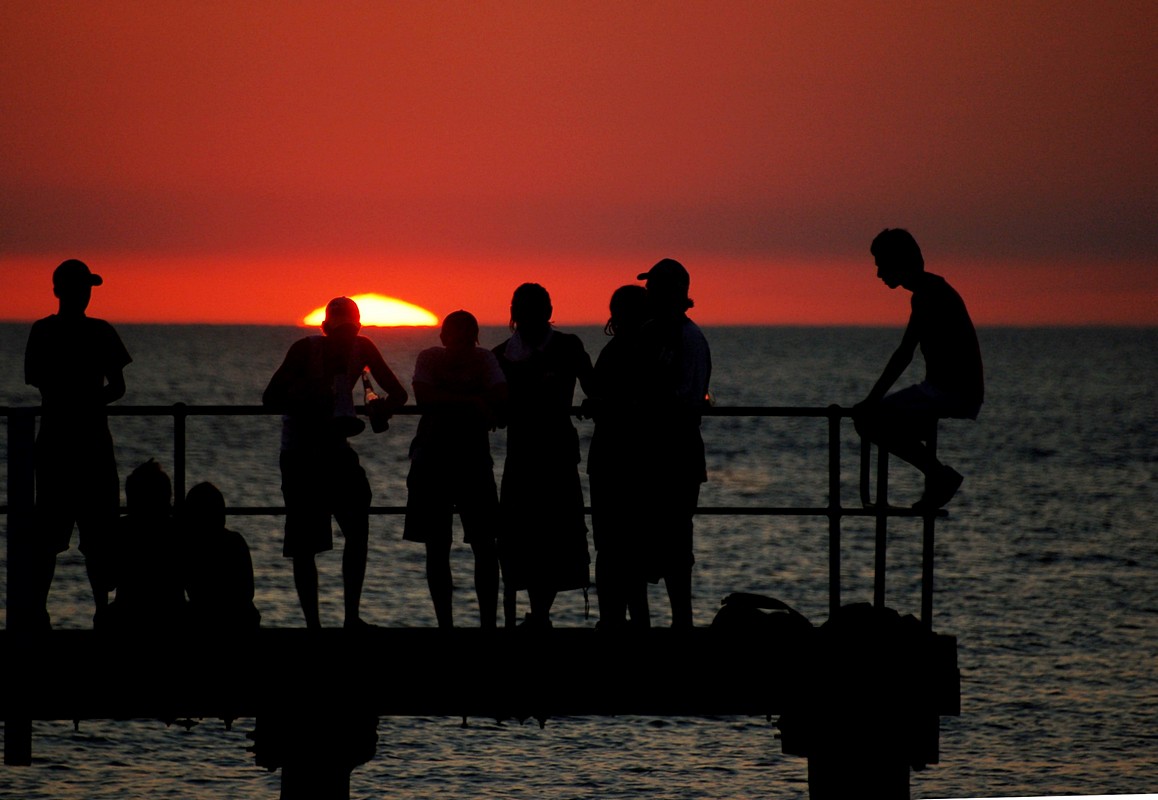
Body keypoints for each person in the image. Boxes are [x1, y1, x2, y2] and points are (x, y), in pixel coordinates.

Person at [263, 296, 408, 629]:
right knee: (304, 544)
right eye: (340, 331)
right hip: (300, 451)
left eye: (352, 330)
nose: (347, 337)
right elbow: (270, 398)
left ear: (358, 329)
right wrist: (307, 397)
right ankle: (314, 625)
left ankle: (351, 618)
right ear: (325, 329)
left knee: (358, 526)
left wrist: (382, 408)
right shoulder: (304, 350)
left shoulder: (364, 348)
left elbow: (398, 394)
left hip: (336, 446)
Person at [24, 258, 132, 628]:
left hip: (56, 442)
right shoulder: (101, 332)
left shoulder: (42, 332)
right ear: (66, 291)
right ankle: (101, 612)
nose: (85, 294)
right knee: (97, 536)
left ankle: (38, 612)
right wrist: (89, 400)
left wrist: (69, 399)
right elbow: (117, 387)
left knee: (49, 536)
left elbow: (38, 381)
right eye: (83, 287)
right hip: (92, 446)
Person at [852, 228, 984, 509]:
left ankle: (939, 476)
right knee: (881, 419)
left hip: (949, 391)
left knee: (868, 421)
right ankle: (936, 475)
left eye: (881, 265)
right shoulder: (931, 291)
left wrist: (871, 400)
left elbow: (904, 354)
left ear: (897, 262)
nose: (878, 274)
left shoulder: (928, 295)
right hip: (950, 389)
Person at [493, 283, 594, 628]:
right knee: (539, 536)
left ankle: (533, 615)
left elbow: (592, 386)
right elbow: (594, 386)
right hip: (540, 453)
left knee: (533, 535)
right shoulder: (564, 346)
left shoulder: (503, 353)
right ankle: (538, 614)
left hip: (538, 454)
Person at [403, 311, 507, 628]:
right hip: (436, 460)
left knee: (484, 546)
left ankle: (484, 624)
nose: (459, 344)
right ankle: (447, 625)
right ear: (443, 338)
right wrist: (475, 403)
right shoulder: (430, 357)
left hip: (468, 460)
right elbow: (424, 396)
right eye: (454, 337)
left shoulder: (484, 359)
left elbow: (501, 396)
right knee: (440, 546)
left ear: (473, 339)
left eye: (465, 338)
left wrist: (450, 401)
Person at [635, 259, 711, 629]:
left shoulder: (685, 338)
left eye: (654, 288)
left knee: (673, 540)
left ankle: (680, 621)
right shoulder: (669, 334)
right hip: (667, 449)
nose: (647, 294)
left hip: (673, 449)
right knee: (661, 539)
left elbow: (686, 395)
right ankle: (669, 620)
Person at [585, 285, 652, 629]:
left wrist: (602, 405)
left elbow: (630, 401)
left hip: (617, 459)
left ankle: (614, 619)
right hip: (630, 460)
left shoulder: (621, 351)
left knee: (613, 548)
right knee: (626, 548)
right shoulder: (646, 349)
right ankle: (630, 619)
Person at [98, 459, 187, 632]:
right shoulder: (177, 531)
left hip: (127, 616)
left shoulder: (121, 530)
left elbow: (107, 581)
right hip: (173, 615)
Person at [181, 482, 260, 632]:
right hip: (241, 620)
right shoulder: (236, 541)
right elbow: (248, 591)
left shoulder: (191, 547)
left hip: (205, 619)